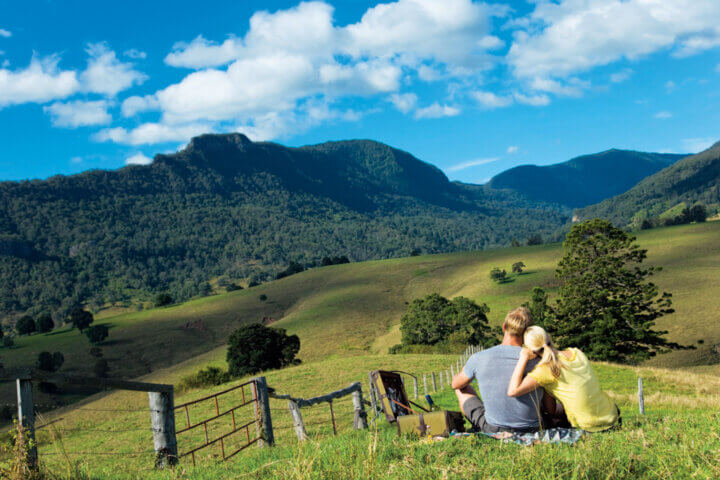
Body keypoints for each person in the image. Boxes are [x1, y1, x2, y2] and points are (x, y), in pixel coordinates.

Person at [452, 307, 554, 433]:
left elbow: (455, 384)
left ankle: (480, 424)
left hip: (495, 429)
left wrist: (465, 369)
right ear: (528, 332)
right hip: (534, 429)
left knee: (462, 388)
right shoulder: (540, 361)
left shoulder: (478, 357)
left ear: (504, 327)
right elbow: (550, 409)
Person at [507, 326, 620, 432]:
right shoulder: (577, 353)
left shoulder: (545, 370)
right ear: (549, 337)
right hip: (612, 415)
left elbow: (513, 391)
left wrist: (523, 358)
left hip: (588, 425)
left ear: (531, 350)